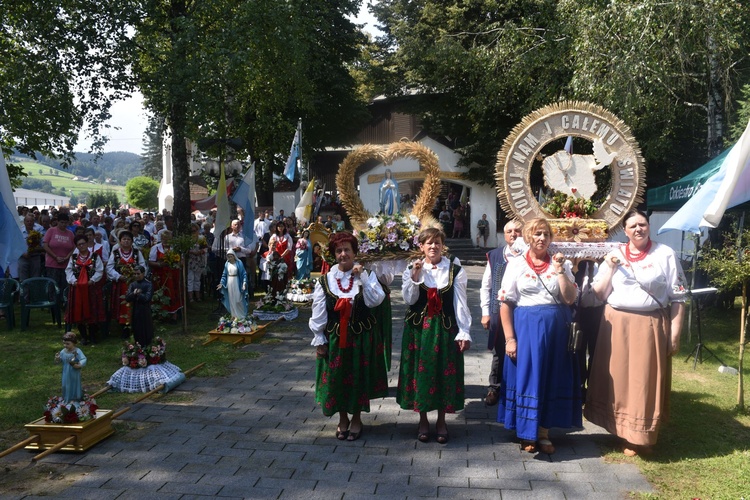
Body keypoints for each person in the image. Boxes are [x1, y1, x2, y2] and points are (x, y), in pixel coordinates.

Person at [585, 210, 686, 457]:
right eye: (632, 226)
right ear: (625, 230)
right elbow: (598, 293)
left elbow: (679, 298)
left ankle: (642, 435)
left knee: (644, 381)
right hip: (616, 323)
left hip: (650, 324)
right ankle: (621, 430)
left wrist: (674, 334)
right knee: (618, 379)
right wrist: (608, 267)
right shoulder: (614, 254)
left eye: (642, 224)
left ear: (648, 226)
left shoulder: (665, 254)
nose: (638, 229)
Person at [496, 217, 580, 454]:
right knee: (529, 378)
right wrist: (510, 338)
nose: (541, 238)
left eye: (545, 234)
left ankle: (543, 432)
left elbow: (569, 298)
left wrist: (561, 271)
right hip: (527, 328)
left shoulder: (560, 262)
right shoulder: (516, 264)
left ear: (551, 237)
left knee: (551, 378)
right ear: (527, 237)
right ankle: (525, 432)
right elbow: (505, 302)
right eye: (536, 234)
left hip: (556, 330)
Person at [309, 232, 387, 441]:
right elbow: (319, 311)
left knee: (358, 378)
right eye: (339, 250)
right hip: (336, 337)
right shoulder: (326, 280)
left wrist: (362, 276)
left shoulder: (366, 275)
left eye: (347, 250)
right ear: (334, 254)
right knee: (338, 378)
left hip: (361, 337)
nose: (343, 254)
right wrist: (319, 338)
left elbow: (376, 300)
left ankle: (357, 418)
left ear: (354, 253)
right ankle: (343, 418)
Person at [397, 227, 471, 444]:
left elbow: (460, 302)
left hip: (445, 328)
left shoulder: (455, 270)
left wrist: (464, 331)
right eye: (428, 243)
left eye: (437, 243)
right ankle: (422, 419)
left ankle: (441, 421)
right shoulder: (412, 269)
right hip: (419, 330)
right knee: (420, 375)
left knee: (443, 373)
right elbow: (409, 300)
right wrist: (415, 275)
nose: (433, 247)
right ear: (421, 246)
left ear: (442, 245)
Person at [480, 220, 523, 406]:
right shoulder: (495, 255)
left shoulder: (530, 255)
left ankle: (517, 388)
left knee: (521, 349)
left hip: (523, 311)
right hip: (499, 311)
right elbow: (486, 285)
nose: (513, 234)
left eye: (517, 231)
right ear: (505, 235)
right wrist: (485, 312)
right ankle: (494, 387)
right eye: (509, 231)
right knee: (499, 350)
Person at [65, 235, 105, 345]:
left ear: (87, 243)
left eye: (83, 243)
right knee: (79, 310)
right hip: (77, 289)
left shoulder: (95, 257)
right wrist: (74, 281)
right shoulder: (73, 258)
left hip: (91, 288)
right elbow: (68, 271)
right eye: (79, 244)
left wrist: (92, 280)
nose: (82, 246)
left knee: (92, 311)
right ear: (76, 246)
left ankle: (92, 335)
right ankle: (83, 336)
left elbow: (99, 270)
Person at [107, 230, 147, 339]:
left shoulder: (136, 252)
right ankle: (123, 328)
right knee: (122, 305)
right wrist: (118, 276)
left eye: (128, 239)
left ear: (132, 241)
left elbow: (143, 266)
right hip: (121, 284)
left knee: (135, 304)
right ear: (120, 241)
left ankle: (135, 326)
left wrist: (136, 276)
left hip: (135, 284)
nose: (126, 241)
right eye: (124, 239)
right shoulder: (115, 253)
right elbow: (109, 268)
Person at [149, 230, 183, 318]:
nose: (166, 241)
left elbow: (181, 260)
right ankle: (161, 315)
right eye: (164, 239)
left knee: (173, 292)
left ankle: (174, 315)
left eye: (168, 239)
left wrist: (177, 264)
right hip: (160, 274)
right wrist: (160, 264)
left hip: (173, 274)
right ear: (162, 239)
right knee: (161, 292)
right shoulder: (156, 248)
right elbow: (150, 262)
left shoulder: (175, 248)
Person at [42, 212, 76, 299]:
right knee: (53, 284)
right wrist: (55, 257)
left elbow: (74, 247)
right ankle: (52, 303)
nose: (63, 224)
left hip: (65, 263)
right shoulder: (51, 231)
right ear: (57, 221)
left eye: (65, 222)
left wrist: (67, 257)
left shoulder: (70, 233)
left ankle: (63, 302)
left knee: (64, 284)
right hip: (52, 263)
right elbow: (45, 245)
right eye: (61, 222)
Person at [125, 265, 154, 347]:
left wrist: (139, 294)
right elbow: (127, 298)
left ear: (143, 273)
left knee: (146, 329)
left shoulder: (148, 284)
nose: (136, 276)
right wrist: (134, 294)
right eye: (135, 274)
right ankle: (138, 346)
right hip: (136, 311)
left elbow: (147, 298)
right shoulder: (133, 285)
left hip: (145, 311)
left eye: (138, 274)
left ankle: (148, 346)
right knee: (137, 329)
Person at [55, 332, 87, 403]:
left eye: (67, 344)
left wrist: (79, 364)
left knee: (74, 384)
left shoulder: (77, 351)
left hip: (74, 372)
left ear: (74, 343)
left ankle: (75, 398)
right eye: (64, 343)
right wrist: (57, 358)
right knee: (65, 385)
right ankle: (66, 397)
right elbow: (60, 360)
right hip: (66, 372)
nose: (65, 345)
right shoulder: (63, 351)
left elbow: (83, 359)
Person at [217, 249, 249, 319]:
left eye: (231, 256)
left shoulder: (239, 263)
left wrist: (244, 283)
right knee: (231, 299)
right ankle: (234, 315)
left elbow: (244, 274)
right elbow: (224, 275)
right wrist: (222, 283)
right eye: (228, 256)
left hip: (237, 282)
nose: (229, 258)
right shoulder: (227, 264)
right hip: (229, 282)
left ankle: (241, 315)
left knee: (238, 299)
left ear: (234, 256)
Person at [268, 221, 294, 288]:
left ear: (284, 227)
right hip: (275, 258)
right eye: (279, 226)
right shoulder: (274, 236)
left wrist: (282, 256)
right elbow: (270, 246)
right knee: (276, 273)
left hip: (285, 258)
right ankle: (276, 288)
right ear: (276, 227)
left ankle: (285, 287)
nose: (280, 228)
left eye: (282, 226)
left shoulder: (288, 236)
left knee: (285, 273)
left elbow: (289, 248)